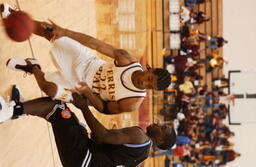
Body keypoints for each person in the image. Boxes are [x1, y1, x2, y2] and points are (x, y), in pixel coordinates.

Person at [2, 3, 171, 115]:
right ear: (149, 69)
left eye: (150, 86)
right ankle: (16, 18)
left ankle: (33, 67)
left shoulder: (132, 102)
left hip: (83, 90)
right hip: (86, 62)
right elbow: (96, 45)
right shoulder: (128, 61)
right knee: (52, 32)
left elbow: (104, 109)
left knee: (50, 89)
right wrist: (66, 32)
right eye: (149, 79)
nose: (145, 84)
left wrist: (88, 93)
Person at [0, 89, 177, 167]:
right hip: (83, 159)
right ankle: (22, 107)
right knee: (74, 123)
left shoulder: (140, 136)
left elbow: (103, 135)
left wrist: (84, 106)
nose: (159, 124)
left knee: (57, 108)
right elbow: (103, 143)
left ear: (160, 140)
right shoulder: (142, 156)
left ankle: (10, 111)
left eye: (163, 129)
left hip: (83, 157)